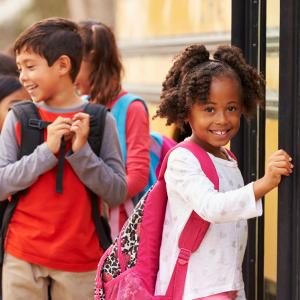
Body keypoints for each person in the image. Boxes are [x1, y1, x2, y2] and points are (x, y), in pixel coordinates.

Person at [0, 17, 127, 300]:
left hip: (81, 261)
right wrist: (46, 152)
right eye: (20, 68)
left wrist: (82, 153)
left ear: (62, 65)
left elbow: (117, 192)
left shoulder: (99, 121)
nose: (22, 77)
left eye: (30, 67)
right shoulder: (19, 117)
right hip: (22, 257)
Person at [153, 44, 292, 300]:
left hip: (225, 283)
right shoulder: (182, 159)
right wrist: (265, 183)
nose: (222, 119)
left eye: (231, 108)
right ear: (186, 112)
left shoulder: (226, 157)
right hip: (194, 287)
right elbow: (212, 207)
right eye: (209, 109)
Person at [75, 20, 150, 236]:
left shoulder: (131, 108)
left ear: (95, 62)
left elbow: (137, 176)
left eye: (75, 63)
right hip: (83, 219)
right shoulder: (78, 103)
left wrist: (103, 195)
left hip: (118, 223)